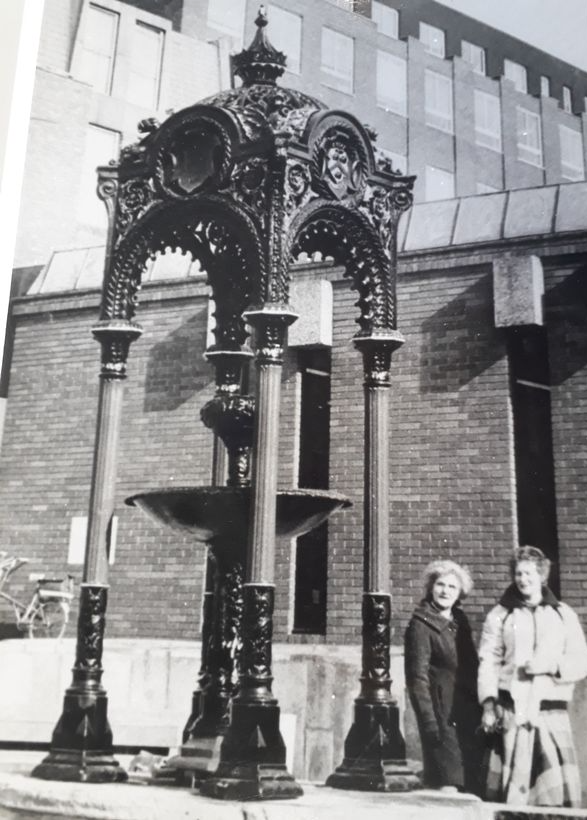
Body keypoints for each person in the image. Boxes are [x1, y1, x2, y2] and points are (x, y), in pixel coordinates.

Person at [478, 545, 587, 807]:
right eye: (518, 573)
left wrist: (549, 666)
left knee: (551, 793)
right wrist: (489, 704)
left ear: (541, 576)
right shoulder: (500, 615)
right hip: (511, 710)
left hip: (550, 713)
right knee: (511, 795)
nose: (523, 579)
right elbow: (488, 661)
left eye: (529, 573)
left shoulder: (562, 614)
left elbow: (580, 661)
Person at [405, 560, 482, 794]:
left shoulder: (460, 622)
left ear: (460, 593)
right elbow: (417, 678)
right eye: (440, 584)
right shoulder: (421, 625)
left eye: (452, 587)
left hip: (466, 714)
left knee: (471, 786)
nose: (445, 591)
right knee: (448, 785)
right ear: (431, 587)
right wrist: (429, 722)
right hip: (441, 720)